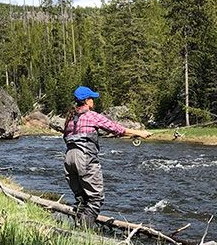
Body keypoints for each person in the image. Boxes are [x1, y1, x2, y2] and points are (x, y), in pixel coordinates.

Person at [63, 85, 151, 229]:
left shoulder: (70, 118)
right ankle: (84, 233)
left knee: (81, 198)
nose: (94, 101)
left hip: (68, 159)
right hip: (84, 159)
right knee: (95, 199)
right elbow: (115, 128)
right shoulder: (92, 116)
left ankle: (77, 228)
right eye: (92, 98)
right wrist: (139, 133)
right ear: (86, 100)